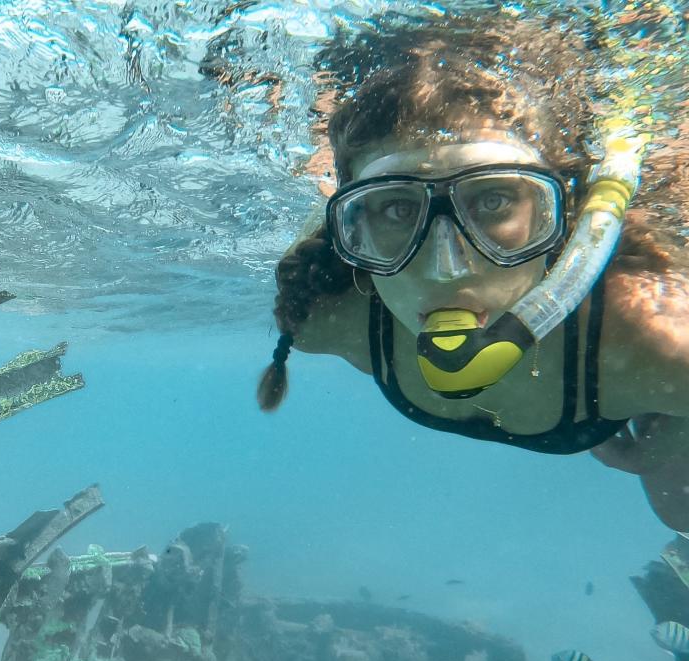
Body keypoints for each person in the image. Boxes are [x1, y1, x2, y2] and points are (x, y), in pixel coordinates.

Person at [256, 14, 689, 531]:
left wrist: (665, 443)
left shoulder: (657, 342)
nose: (447, 265)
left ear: (563, 215)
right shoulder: (324, 321)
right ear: (351, 229)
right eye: (395, 209)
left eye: (494, 199)